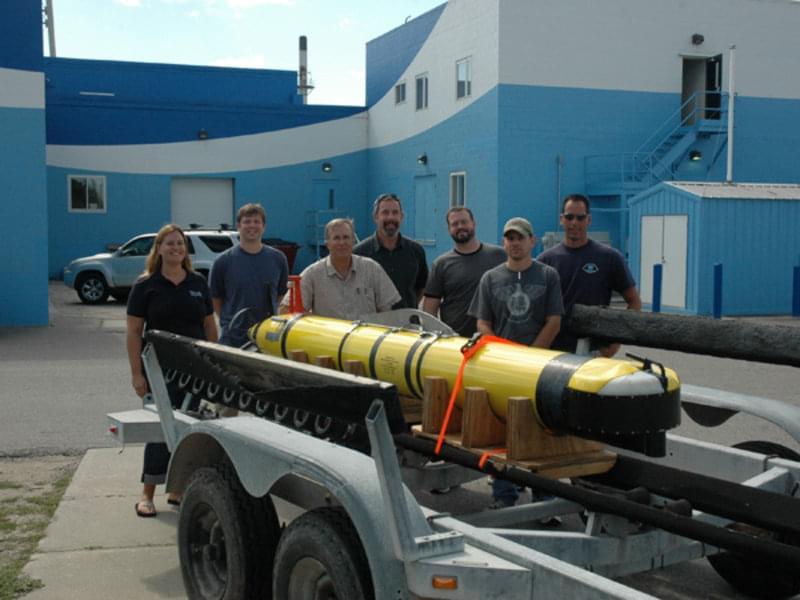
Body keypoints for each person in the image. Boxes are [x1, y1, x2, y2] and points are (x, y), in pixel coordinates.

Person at [468, 217, 563, 510]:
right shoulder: (490, 278)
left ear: (532, 241)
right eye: (509, 238)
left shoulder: (547, 276)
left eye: (520, 238)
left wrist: (531, 357)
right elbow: (483, 323)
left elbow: (554, 321)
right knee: (500, 432)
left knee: (540, 432)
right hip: (502, 368)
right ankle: (504, 494)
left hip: (539, 367)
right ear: (504, 242)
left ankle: (544, 498)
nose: (515, 243)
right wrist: (504, 357)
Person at [126, 224, 218, 518]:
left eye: (180, 243)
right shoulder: (146, 286)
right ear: (159, 249)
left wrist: (213, 364)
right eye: (170, 243)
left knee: (192, 429)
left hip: (195, 370)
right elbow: (133, 332)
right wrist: (137, 374)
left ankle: (178, 491)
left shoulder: (197, 283)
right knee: (160, 430)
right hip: (158, 371)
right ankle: (147, 493)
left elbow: (209, 327)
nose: (176, 248)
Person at [538, 194, 641, 357]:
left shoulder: (609, 258)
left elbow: (634, 302)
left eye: (580, 218)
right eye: (569, 217)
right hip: (553, 352)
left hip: (593, 352)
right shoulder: (546, 260)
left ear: (589, 220)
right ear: (561, 219)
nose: (574, 223)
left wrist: (614, 343)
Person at [286, 218, 401, 319]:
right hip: (329, 342)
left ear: (353, 241)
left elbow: (388, 311)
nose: (342, 242)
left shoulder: (372, 269)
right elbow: (286, 309)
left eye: (346, 237)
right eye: (336, 238)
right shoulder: (312, 274)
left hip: (366, 341)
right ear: (327, 244)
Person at [210, 203, 289, 346]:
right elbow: (216, 300)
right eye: (247, 221)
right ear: (239, 226)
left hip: (267, 338)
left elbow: (280, 296)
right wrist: (230, 324)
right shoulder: (222, 261)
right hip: (233, 339)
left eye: (256, 222)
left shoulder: (278, 259)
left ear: (263, 227)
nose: (252, 225)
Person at [422, 207, 506, 337]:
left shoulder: (499, 256)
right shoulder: (441, 264)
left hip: (495, 340)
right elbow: (429, 311)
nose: (460, 226)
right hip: (457, 341)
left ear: (474, 223)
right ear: (449, 229)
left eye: (464, 222)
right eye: (455, 224)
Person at [353, 193, 428, 309]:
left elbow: (421, 288)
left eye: (395, 212)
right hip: (373, 325)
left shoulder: (416, 251)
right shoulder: (359, 253)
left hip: (408, 324)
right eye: (385, 212)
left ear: (401, 216)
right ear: (375, 217)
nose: (390, 218)